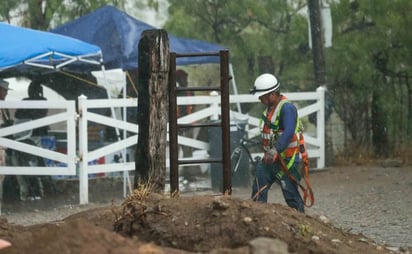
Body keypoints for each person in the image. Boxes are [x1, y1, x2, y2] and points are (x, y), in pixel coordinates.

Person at [249, 73, 305, 213]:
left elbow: (288, 133)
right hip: (270, 160)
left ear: (272, 94)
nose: (260, 99)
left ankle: (302, 223)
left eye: (262, 96)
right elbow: (268, 132)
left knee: (290, 195)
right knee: (258, 189)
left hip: (287, 161)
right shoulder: (269, 109)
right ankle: (257, 218)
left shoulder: (287, 109)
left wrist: (275, 150)